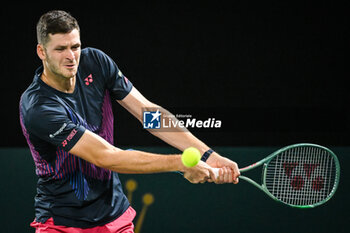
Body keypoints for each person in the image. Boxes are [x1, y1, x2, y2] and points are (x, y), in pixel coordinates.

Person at [19, 10, 240, 233]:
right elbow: (106, 157)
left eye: (75, 47)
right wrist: (180, 164)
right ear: (42, 51)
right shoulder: (39, 107)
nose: (71, 56)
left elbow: (149, 115)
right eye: (60, 49)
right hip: (61, 223)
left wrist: (207, 154)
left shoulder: (95, 62)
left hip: (114, 218)